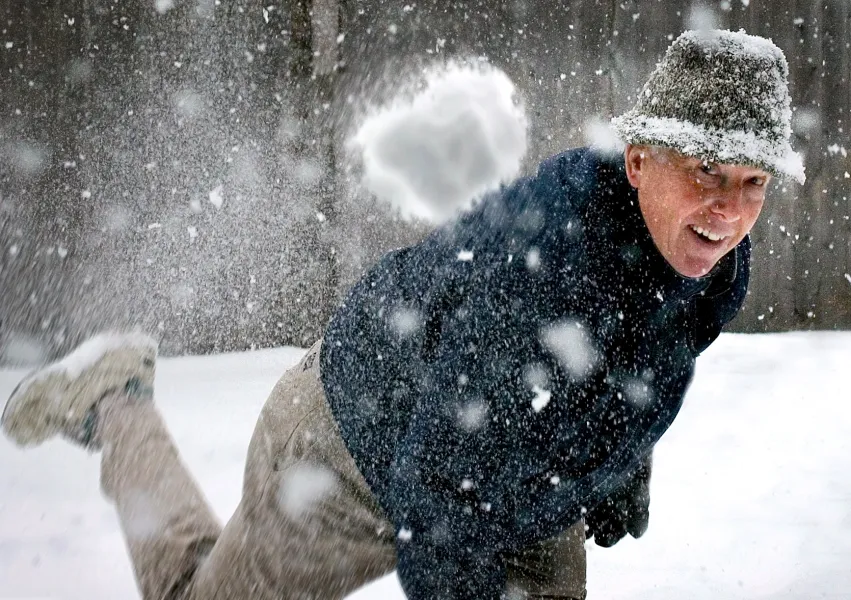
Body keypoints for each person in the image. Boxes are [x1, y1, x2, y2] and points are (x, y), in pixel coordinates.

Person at [2, 29, 804, 600]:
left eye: (750, 182)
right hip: (353, 446)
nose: (725, 207)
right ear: (638, 161)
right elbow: (437, 490)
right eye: (703, 170)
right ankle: (116, 402)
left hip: (514, 475)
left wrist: (624, 459)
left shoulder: (710, 264)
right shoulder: (537, 274)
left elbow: (645, 353)